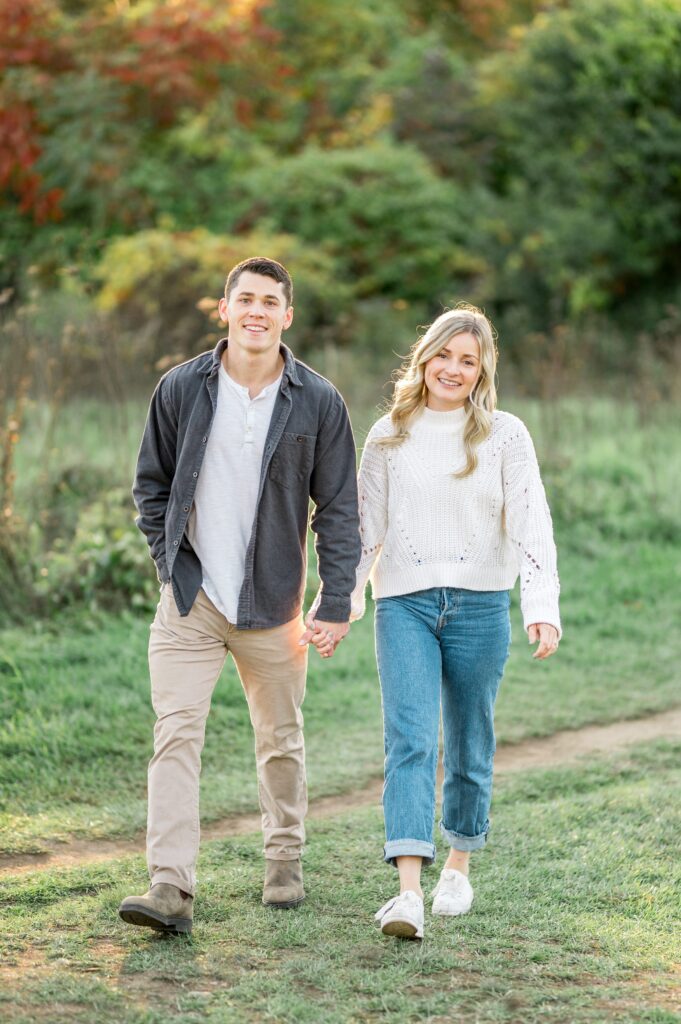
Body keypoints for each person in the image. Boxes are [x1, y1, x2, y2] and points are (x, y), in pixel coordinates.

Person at [119, 256, 360, 935]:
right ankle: (169, 887)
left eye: (270, 301)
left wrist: (334, 599)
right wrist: (171, 568)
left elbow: (339, 509)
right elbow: (151, 485)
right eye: (244, 298)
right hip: (190, 602)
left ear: (287, 316)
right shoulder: (179, 388)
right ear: (223, 309)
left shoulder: (319, 401)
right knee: (175, 736)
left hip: (275, 607)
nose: (256, 310)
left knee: (279, 740)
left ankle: (283, 860)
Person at [351, 305, 560, 941]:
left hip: (479, 606)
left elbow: (532, 523)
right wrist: (345, 597)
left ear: (481, 371)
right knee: (410, 740)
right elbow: (364, 531)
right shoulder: (387, 435)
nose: (453, 369)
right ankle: (408, 892)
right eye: (445, 355)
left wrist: (541, 604)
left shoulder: (505, 435)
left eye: (468, 361)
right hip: (405, 604)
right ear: (425, 358)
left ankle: (458, 869)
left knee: (471, 740)